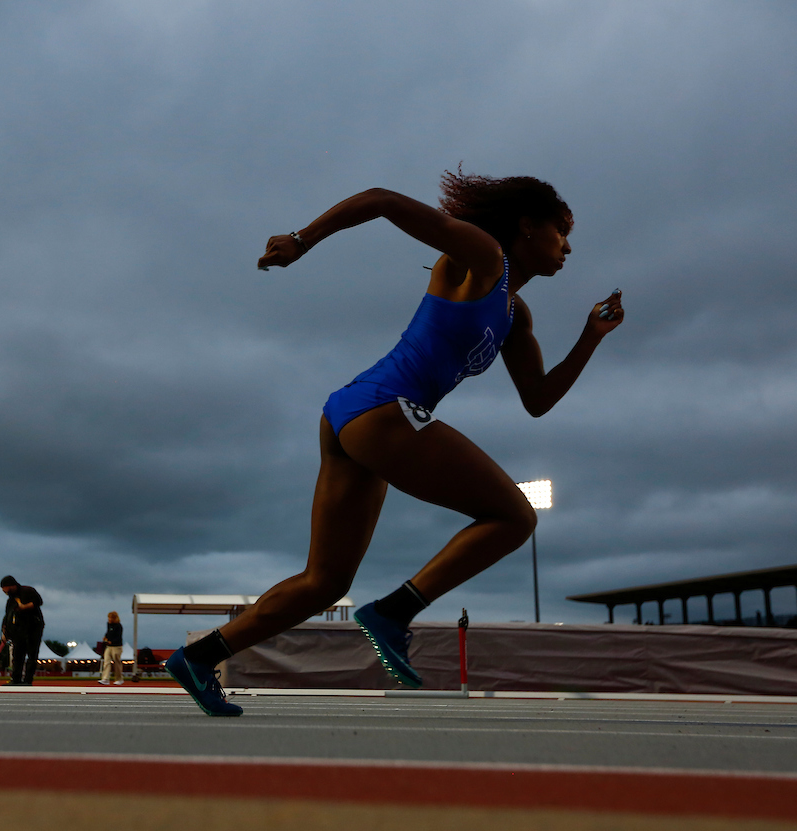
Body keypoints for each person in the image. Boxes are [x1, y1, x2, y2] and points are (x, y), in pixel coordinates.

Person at [166, 176, 624, 716]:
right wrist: (301, 240)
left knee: (324, 582)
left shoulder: (513, 315)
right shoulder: (484, 257)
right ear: (528, 226)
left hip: (354, 417)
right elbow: (382, 201)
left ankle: (199, 658)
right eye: (562, 232)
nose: (568, 246)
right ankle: (392, 612)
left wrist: (591, 336)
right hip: (383, 408)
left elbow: (538, 399)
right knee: (515, 517)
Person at [0, 576, 44, 686]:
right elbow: (7, 617)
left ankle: (28, 680)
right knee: (17, 655)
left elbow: (38, 602)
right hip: (18, 630)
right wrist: (5, 632)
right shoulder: (10, 600)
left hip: (33, 627)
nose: (4, 592)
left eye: (5, 588)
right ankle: (16, 679)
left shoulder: (28, 591)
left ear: (11, 585)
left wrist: (24, 607)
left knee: (32, 654)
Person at [97, 611, 124, 686]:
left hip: (117, 647)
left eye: (110, 617)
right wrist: (105, 638)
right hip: (109, 647)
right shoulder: (109, 624)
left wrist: (111, 641)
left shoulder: (118, 626)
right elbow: (108, 632)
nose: (109, 619)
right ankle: (105, 678)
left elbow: (118, 637)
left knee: (117, 663)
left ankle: (119, 679)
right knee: (106, 662)